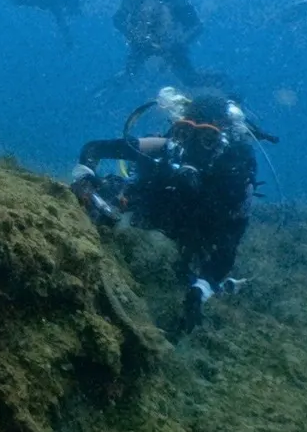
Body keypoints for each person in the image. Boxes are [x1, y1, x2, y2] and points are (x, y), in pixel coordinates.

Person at [70, 87, 274, 328]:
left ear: (222, 141)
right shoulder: (168, 145)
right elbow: (95, 149)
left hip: (195, 235)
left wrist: (201, 288)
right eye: (186, 133)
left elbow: (228, 245)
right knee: (115, 190)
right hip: (153, 210)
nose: (193, 146)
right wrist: (84, 179)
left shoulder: (236, 176)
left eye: (207, 139)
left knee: (186, 274)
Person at [102, 0, 202, 89]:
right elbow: (118, 20)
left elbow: (196, 25)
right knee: (130, 76)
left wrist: (178, 44)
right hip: (143, 44)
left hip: (171, 46)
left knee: (189, 79)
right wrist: (137, 38)